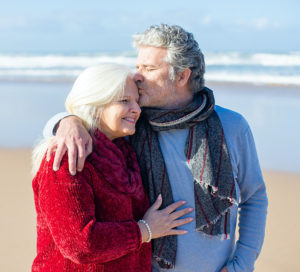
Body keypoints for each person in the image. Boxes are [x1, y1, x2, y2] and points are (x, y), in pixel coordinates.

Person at [43, 25, 268, 272]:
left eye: (148, 69)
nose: (137, 76)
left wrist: (242, 265)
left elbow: (254, 197)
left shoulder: (232, 126)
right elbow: (93, 115)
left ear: (182, 76)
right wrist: (66, 121)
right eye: (137, 67)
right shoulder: (131, 126)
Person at [32, 63, 194, 271]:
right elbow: (79, 245)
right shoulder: (68, 156)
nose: (136, 109)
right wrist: (145, 230)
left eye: (137, 101)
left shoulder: (126, 152)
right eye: (124, 101)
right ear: (96, 104)